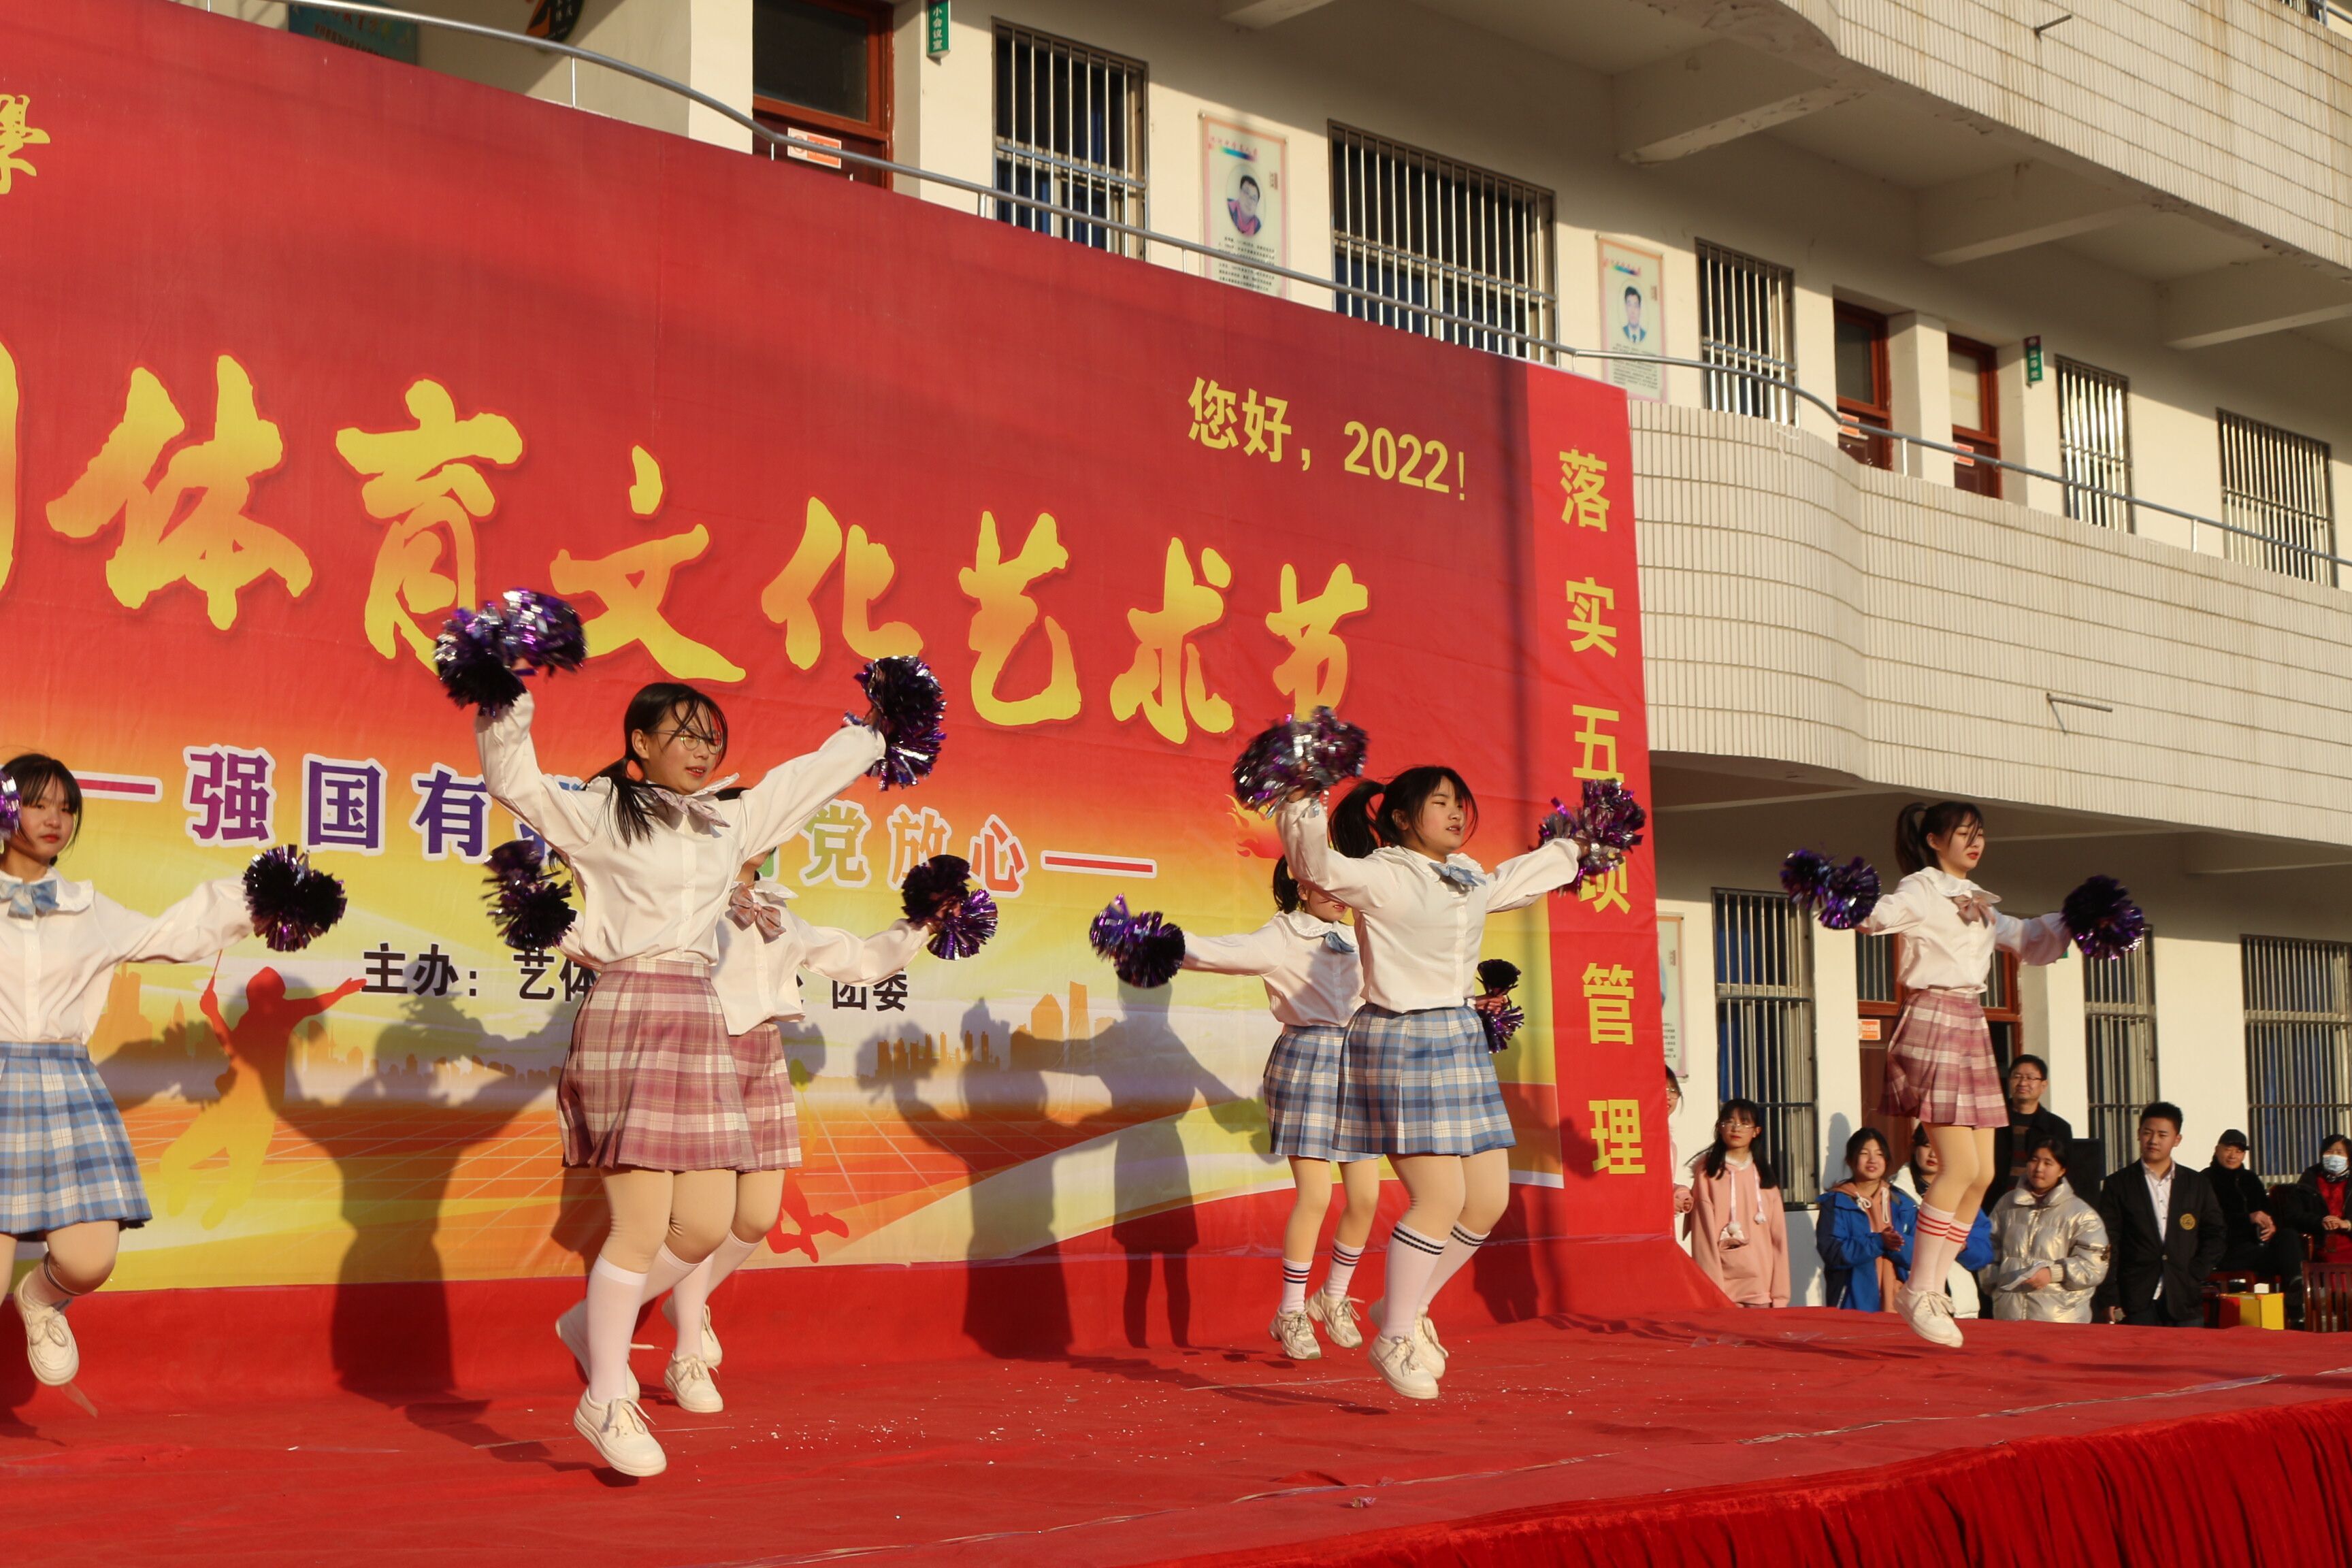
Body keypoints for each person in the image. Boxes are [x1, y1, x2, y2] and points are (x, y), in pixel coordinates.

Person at [477, 679, 887, 1476]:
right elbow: (514, 779)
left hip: (698, 1013)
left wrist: (875, 732)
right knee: (639, 1226)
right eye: (684, 735)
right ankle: (606, 1396)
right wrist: (503, 699)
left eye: (711, 738)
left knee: (702, 1225)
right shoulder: (601, 811)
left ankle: (591, 1321)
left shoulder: (728, 822)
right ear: (640, 744)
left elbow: (804, 781)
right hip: (631, 1006)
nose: (702, 750)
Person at [1277, 766, 1590, 1400]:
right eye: (1440, 803)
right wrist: (1302, 799)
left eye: (1459, 804)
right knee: (1439, 1198)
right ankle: (1393, 1336)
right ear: (1400, 818)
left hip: (1458, 1039)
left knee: (1487, 1201)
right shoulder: (1383, 875)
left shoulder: (1466, 875)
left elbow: (1513, 881)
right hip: (1402, 1039)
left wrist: (1579, 846)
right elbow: (1316, 864)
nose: (1455, 814)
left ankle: (1406, 1304)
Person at [635, 851, 942, 1415]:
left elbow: (859, 959)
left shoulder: (780, 913)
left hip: (761, 1057)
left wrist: (923, 922)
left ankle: (686, 1306)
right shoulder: (682, 902)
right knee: (704, 1216)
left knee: (756, 1216)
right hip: (697, 1055)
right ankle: (686, 1358)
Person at [1, 753, 259, 1388]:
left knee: (89, 1261)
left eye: (67, 808)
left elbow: (174, 932)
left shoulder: (88, 908)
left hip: (63, 1085)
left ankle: (39, 1301)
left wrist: (263, 894)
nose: (55, 819)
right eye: (38, 804)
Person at [1857, 801, 2073, 1347]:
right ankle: (1920, 1289)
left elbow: (2026, 936)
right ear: (1935, 840)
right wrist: (1842, 897)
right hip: (1934, 1019)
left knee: (1982, 1174)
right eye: (1963, 834)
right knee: (1957, 1167)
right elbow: (1876, 915)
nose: (1975, 844)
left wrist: (2080, 920)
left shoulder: (1977, 898)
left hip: (1972, 1024)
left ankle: (1930, 1287)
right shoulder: (1921, 889)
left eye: (1980, 834)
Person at [1169, 859, 1371, 1361]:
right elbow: (1220, 952)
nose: (1338, 894)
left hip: (1361, 1063)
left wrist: (1473, 1005)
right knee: (1317, 1196)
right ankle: (1291, 1311)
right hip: (1306, 1060)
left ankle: (1334, 1297)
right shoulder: (1283, 935)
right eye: (1325, 884)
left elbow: (1408, 982)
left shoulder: (1363, 935)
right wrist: (1158, 941)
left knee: (1366, 1198)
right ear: (1301, 887)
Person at [2094, 1101, 2225, 1326]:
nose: (2153, 1140)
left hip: (2184, 1296)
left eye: (2162, 1135)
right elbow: (2108, 1242)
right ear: (2139, 1134)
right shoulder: (2118, 1184)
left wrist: (2196, 1271)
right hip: (2136, 1297)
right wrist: (2110, 1294)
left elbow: (2215, 1233)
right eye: (2148, 1132)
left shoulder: (2196, 1184)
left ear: (2177, 1140)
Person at [1978, 1131, 2109, 1322]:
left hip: (2060, 1319)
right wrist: (1994, 1282)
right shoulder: (2007, 1204)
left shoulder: (2081, 1214)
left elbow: (2094, 1265)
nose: (2039, 1168)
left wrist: (2053, 1273)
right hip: (2009, 1315)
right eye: (2034, 1160)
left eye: (2048, 1163)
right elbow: (1988, 1246)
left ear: (2062, 1170)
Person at [1686, 1098, 1791, 1309]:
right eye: (1730, 1121)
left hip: (1761, 1285)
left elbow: (1778, 1239)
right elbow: (1703, 1237)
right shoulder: (1708, 1174)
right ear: (1719, 1127)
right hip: (1724, 1286)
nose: (1736, 1128)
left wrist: (1780, 1295)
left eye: (1744, 1122)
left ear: (1757, 1131)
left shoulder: (1764, 1177)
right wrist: (1712, 1291)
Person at [1818, 1126, 1912, 1313]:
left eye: (1879, 1154)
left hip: (1899, 1304)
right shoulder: (1836, 1202)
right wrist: (1878, 1242)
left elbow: (1919, 1255)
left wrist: (1896, 1242)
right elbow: (1832, 1252)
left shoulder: (1903, 1203)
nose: (1872, 1160)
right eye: (1864, 1153)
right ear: (1850, 1160)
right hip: (1852, 1303)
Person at [2205, 1129, 2289, 1280]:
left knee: (2289, 1238)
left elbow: (2267, 1210)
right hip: (2226, 1248)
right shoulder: (2205, 1180)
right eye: (2228, 1150)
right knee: (2282, 1258)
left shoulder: (2251, 1178)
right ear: (2217, 1150)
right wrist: (2248, 1218)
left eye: (2239, 1152)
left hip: (2257, 1244)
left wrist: (2271, 1226)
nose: (2233, 1156)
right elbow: (2210, 1221)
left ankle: (2297, 1286)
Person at [1988, 1054, 2072, 1203]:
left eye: (2030, 1078)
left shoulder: (2058, 1128)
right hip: (1992, 1203)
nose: (2023, 1083)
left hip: (2039, 1204)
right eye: (2017, 1077)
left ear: (2043, 1085)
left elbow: (2066, 1174)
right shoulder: (1991, 1120)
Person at [2289, 1133, 2352, 1267]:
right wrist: (2320, 1221)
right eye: (2329, 1151)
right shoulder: (2309, 1179)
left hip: (2348, 1238)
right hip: (2321, 1240)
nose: (2334, 1156)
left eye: (2339, 1152)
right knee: (2330, 1261)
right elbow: (2295, 1214)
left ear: (2348, 1159)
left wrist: (2347, 1223)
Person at [1667, 1066, 1693, 1220]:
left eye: (1673, 1090)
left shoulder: (1670, 1143)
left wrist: (1680, 1193)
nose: (1669, 1097)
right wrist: (1663, 1202)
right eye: (1662, 1089)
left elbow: (1663, 1183)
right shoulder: (1636, 1136)